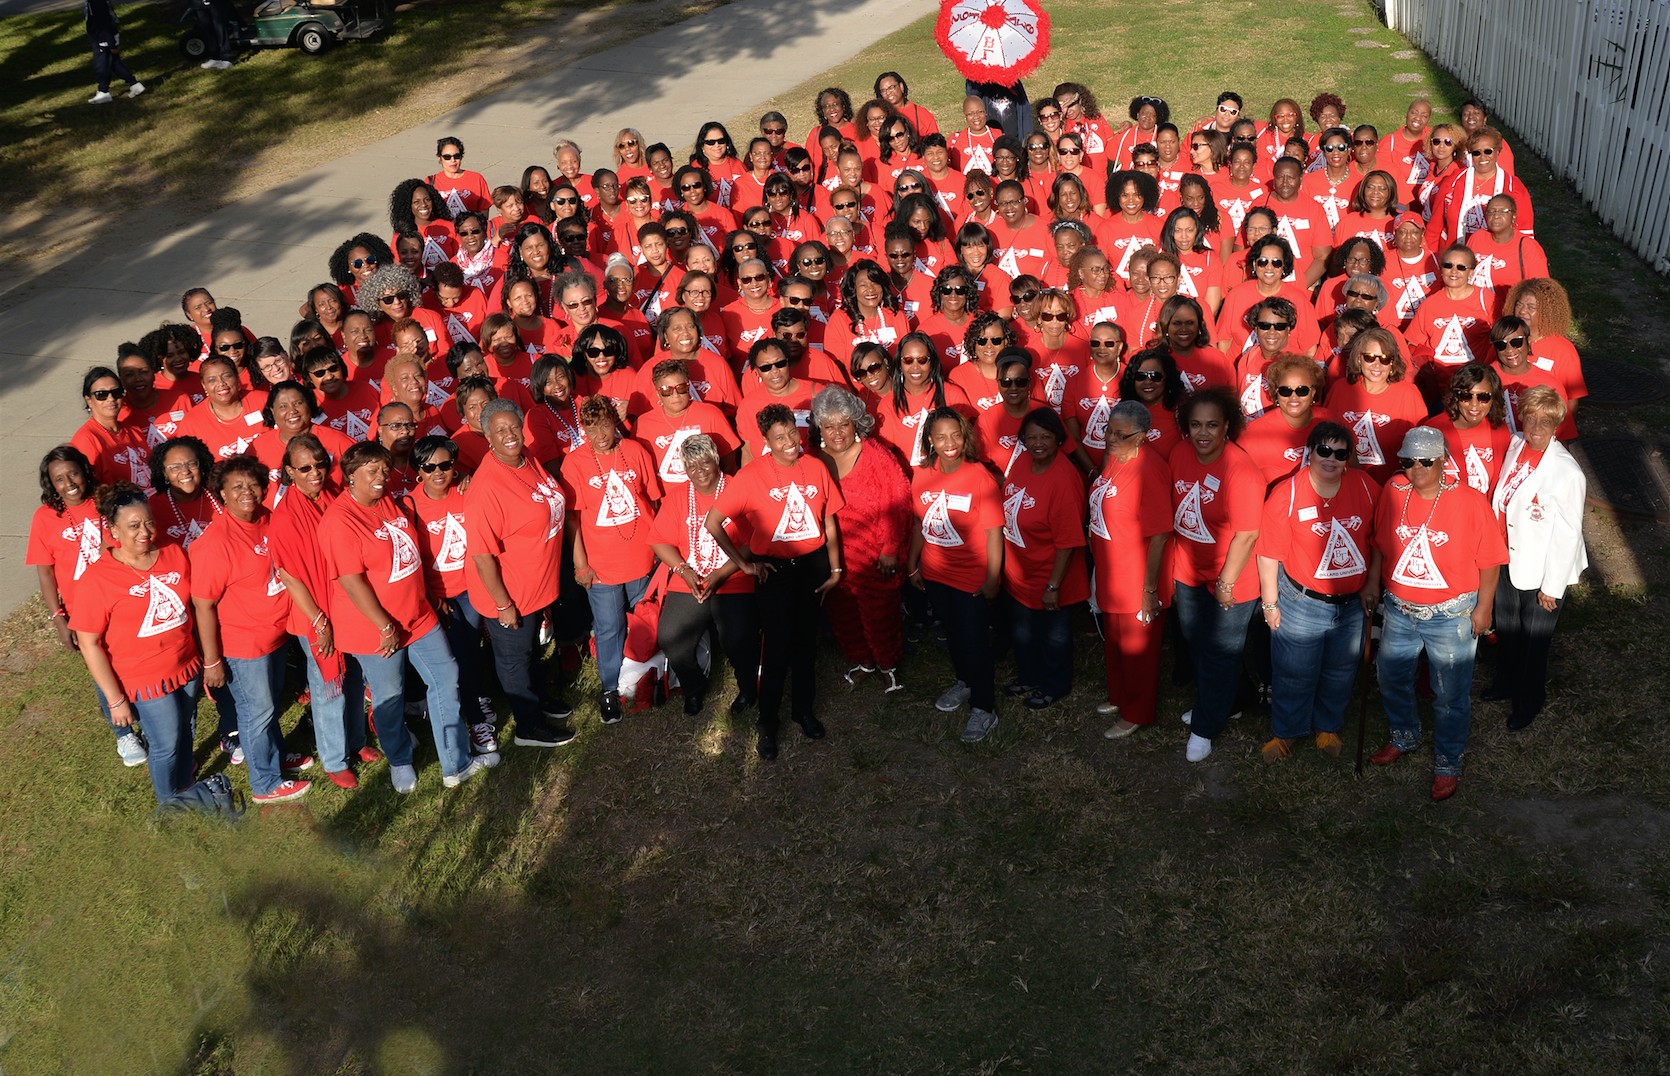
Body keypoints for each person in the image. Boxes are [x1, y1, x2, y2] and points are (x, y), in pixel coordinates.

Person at [320, 442, 491, 793]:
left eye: (384, 469)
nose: (382, 477)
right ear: (351, 477)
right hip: (376, 629)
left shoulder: (386, 502)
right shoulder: (339, 521)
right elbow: (351, 582)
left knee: (446, 677)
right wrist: (385, 626)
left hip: (417, 615)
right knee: (389, 696)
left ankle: (455, 763)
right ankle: (399, 760)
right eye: (372, 471)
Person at [1365, 427, 1508, 801]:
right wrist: (1372, 584)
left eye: (1426, 461)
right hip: (1399, 608)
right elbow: (1380, 541)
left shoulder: (1471, 502)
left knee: (1450, 694)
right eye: (1408, 461)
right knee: (1391, 676)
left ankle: (1447, 762)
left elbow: (1490, 561)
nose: (1416, 469)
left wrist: (1485, 608)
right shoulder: (1394, 490)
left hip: (1452, 613)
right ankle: (1404, 736)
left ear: (1443, 462)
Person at [707, 404, 845, 761]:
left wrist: (835, 570)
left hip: (812, 567)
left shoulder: (815, 466)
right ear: (765, 440)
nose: (789, 442)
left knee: (806, 644)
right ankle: (767, 724)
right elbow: (713, 523)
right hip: (775, 572)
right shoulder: (751, 476)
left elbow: (828, 521)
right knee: (776, 649)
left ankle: (803, 710)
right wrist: (744, 564)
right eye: (779, 437)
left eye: (792, 434)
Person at [190, 456, 315, 803]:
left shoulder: (267, 520)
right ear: (222, 495)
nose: (247, 492)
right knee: (255, 713)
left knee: (267, 707)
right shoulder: (216, 543)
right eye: (236, 487)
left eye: (253, 484)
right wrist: (212, 661)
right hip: (244, 645)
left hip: (275, 636)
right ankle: (265, 782)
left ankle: (273, 755)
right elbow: (203, 605)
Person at [69, 483, 201, 805]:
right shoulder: (98, 579)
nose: (145, 532)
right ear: (112, 529)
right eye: (133, 526)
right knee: (166, 742)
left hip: (186, 665)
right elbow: (89, 644)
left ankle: (185, 783)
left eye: (148, 522)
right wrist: (115, 701)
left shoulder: (172, 551)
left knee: (186, 730)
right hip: (142, 677)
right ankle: (169, 805)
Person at [1254, 421, 1379, 761]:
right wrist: (1269, 603)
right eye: (1324, 450)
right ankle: (1287, 732)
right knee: (1294, 672)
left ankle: (1327, 725)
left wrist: (1371, 582)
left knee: (1340, 670)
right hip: (1302, 601)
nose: (1331, 459)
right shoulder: (1288, 493)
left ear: (1348, 458)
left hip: (1351, 603)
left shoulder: (1365, 487)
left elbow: (1378, 540)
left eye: (1340, 453)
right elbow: (1268, 554)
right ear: (1309, 452)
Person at [1486, 387, 1588, 730]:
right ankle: (1505, 683)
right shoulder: (1516, 445)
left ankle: (1529, 700)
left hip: (1543, 569)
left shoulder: (1568, 473)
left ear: (1558, 424)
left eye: (1547, 420)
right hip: (1506, 558)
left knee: (1534, 640)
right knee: (1508, 627)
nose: (1537, 426)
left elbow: (1569, 533)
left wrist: (1552, 586)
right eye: (1531, 417)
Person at [1169, 387, 1262, 763]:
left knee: (1221, 653)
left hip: (1232, 576)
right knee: (1196, 642)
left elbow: (1247, 534)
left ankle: (1205, 727)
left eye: (1212, 425)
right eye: (1195, 425)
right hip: (1189, 569)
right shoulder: (1178, 453)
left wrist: (1225, 583)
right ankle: (1234, 700)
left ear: (1228, 427)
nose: (1202, 433)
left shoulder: (1241, 470)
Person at [561, 395, 662, 724]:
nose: (601, 434)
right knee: (609, 627)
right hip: (601, 563)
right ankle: (608, 688)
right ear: (584, 430)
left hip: (642, 557)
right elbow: (573, 520)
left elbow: (653, 502)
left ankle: (641, 679)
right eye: (592, 428)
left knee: (642, 620)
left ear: (614, 421)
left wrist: (660, 548)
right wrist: (581, 565)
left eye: (605, 424)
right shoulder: (574, 464)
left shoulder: (635, 451)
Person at [648, 434, 760, 716]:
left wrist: (722, 574)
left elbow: (753, 542)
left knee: (737, 639)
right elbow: (659, 539)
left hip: (733, 577)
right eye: (692, 466)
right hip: (691, 579)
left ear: (717, 461)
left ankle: (747, 689)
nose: (700, 471)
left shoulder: (739, 489)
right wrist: (683, 570)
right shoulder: (677, 497)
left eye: (705, 462)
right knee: (671, 638)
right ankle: (694, 687)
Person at [406, 434, 498, 755]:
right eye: (429, 467)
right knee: (460, 654)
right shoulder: (410, 505)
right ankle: (476, 720)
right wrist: (432, 599)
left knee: (473, 649)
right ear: (418, 470)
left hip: (473, 587)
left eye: (446, 464)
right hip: (439, 596)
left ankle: (478, 700)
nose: (439, 472)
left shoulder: (466, 490)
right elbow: (411, 561)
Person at [815, 385, 911, 692]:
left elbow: (900, 500)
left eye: (844, 424)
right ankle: (863, 661)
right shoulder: (812, 459)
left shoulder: (876, 455)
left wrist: (891, 548)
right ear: (820, 428)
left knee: (880, 614)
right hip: (832, 557)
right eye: (829, 426)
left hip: (876, 555)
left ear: (856, 422)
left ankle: (887, 663)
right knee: (842, 612)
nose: (837, 432)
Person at [1088, 400, 1173, 737]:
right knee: (1114, 641)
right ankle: (1120, 696)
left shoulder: (1150, 468)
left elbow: (1160, 535)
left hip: (1137, 577)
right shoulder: (1114, 458)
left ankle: (1138, 710)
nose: (1110, 438)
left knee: (1139, 650)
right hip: (1111, 570)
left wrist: (1149, 590)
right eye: (1109, 429)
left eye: (1121, 434)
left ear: (1142, 437)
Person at [999, 407, 1090, 710]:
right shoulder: (1024, 461)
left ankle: (1054, 686)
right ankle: (1029, 675)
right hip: (1020, 570)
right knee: (1023, 632)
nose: (1038, 443)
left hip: (1049, 576)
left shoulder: (1064, 480)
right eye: (1031, 437)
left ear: (1058, 439)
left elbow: (1068, 542)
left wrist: (1052, 587)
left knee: (1053, 637)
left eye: (1045, 437)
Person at [1328, 327, 1429, 485]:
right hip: (1346, 487)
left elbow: (1423, 449)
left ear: (1392, 363)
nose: (1377, 365)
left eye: (1384, 358)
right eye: (1369, 357)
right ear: (1359, 359)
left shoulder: (1409, 394)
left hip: (1393, 489)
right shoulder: (1340, 389)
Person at [1238, 355, 1334, 489]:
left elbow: (1352, 471)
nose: (1293, 397)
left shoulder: (1331, 422)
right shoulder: (1251, 434)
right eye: (1285, 391)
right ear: (1276, 393)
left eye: (1302, 390)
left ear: (1313, 392)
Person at [1428, 363, 1512, 497]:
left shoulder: (1499, 430)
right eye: (1466, 396)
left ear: (1493, 399)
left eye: (1483, 397)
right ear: (1456, 397)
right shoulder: (1432, 431)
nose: (1474, 405)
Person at [71, 367, 149, 488]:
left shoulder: (134, 430)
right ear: (89, 400)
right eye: (101, 395)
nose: (111, 399)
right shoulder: (86, 441)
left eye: (116, 393)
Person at [85, 0, 143, 103]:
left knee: (101, 65)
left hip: (103, 38)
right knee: (114, 63)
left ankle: (103, 91)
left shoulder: (95, 2)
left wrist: (110, 42)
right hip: (104, 36)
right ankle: (134, 84)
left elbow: (103, 21)